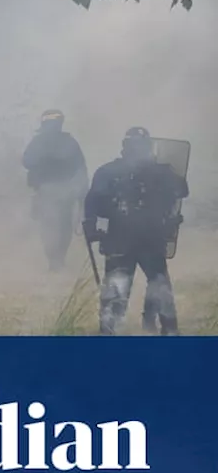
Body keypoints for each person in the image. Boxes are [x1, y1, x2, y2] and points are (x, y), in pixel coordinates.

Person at [83, 127, 188, 336]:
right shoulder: (161, 172)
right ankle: (168, 329)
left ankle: (111, 332)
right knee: (157, 284)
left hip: (121, 239)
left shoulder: (108, 171)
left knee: (120, 286)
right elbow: (182, 190)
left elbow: (92, 202)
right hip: (148, 238)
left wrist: (92, 227)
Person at [21, 109, 88, 271]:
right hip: (48, 192)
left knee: (58, 226)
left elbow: (79, 168)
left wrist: (81, 190)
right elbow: (27, 161)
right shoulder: (41, 142)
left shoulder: (65, 142)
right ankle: (55, 260)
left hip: (60, 191)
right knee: (53, 226)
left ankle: (56, 260)